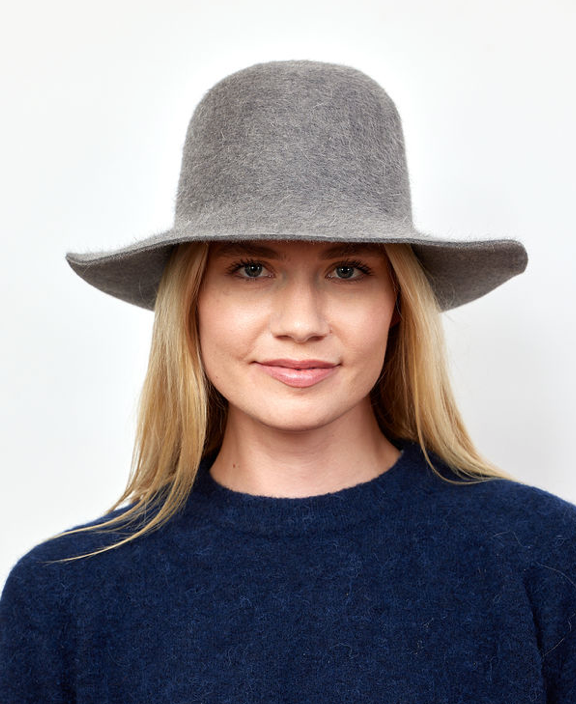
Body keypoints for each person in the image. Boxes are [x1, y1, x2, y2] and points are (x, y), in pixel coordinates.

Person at [0, 59, 574, 703]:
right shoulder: (64, 596)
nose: (301, 323)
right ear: (191, 303)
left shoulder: (544, 560)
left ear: (398, 305)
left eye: (348, 271)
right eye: (250, 269)